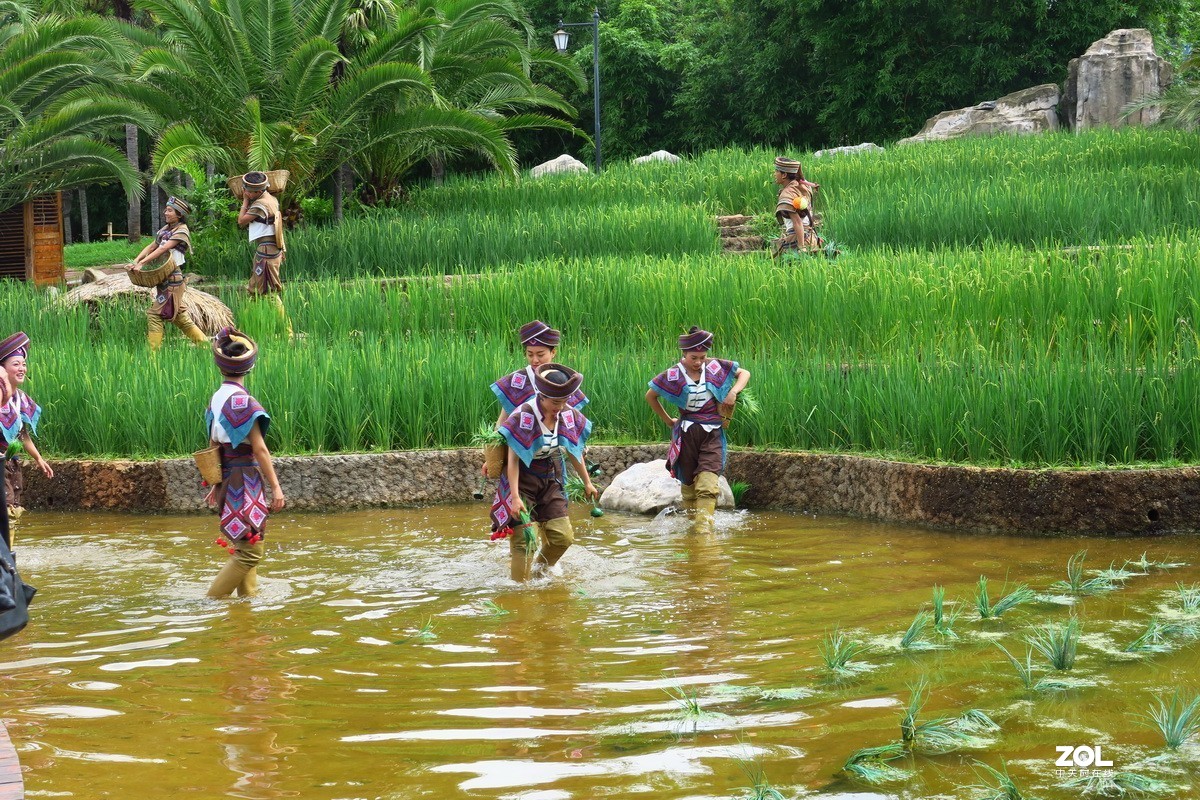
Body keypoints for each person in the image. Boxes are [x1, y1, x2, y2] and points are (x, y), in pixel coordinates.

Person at [489, 364, 597, 582]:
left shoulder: (567, 414)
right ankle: (519, 592)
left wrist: (587, 482)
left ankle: (539, 572)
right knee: (523, 542)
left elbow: (574, 451)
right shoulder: (524, 415)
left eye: (564, 401)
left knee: (562, 538)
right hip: (522, 478)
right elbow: (513, 460)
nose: (560, 406)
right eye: (555, 402)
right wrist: (516, 498)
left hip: (550, 475)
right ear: (542, 395)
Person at [204, 327, 285, 598]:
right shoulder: (245, 402)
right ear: (249, 366)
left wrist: (215, 483)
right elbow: (260, 450)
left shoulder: (216, 399)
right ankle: (211, 602)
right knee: (251, 553)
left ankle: (246, 610)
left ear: (220, 366)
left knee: (245, 543)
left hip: (227, 477)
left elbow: (214, 444)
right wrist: (276, 487)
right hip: (245, 479)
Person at [646, 327, 750, 531]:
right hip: (686, 433)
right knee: (688, 482)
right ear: (684, 354)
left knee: (708, 483)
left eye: (702, 357)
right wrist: (668, 421)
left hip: (712, 432)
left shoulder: (714, 366)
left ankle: (704, 531)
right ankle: (691, 526)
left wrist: (733, 393)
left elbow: (744, 373)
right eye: (694, 357)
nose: (698, 362)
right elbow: (651, 395)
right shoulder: (673, 374)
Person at [128, 196, 208, 349]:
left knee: (154, 314)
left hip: (173, 279)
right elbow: (152, 246)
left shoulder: (182, 231)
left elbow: (163, 249)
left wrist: (143, 263)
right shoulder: (166, 230)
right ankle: (205, 346)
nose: (165, 212)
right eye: (166, 209)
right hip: (164, 279)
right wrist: (136, 261)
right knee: (180, 317)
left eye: (170, 210)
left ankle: (153, 355)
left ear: (179, 215)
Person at [491, 320, 588, 426]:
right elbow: (503, 419)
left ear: (553, 353)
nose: (535, 360)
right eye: (530, 354)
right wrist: (497, 438)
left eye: (540, 354)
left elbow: (572, 420)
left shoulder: (565, 378)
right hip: (525, 440)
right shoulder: (517, 380)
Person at [0, 333, 51, 526]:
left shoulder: (18, 398)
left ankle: (8, 555)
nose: (22, 369)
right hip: (0, 463)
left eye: (23, 364)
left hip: (11, 462)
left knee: (12, 510)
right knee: (5, 512)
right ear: (2, 369)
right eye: (15, 364)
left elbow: (22, 434)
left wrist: (39, 459)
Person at [236, 172, 292, 336]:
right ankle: (242, 331)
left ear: (257, 191)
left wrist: (245, 201)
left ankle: (288, 333)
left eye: (248, 191)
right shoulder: (272, 199)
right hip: (270, 250)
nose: (246, 192)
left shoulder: (260, 205)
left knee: (270, 294)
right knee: (254, 292)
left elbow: (241, 221)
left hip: (266, 253)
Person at [772, 156, 822, 257]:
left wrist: (801, 246)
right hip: (811, 238)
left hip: (798, 240)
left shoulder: (787, 194)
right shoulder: (803, 187)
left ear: (784, 175)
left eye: (776, 171)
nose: (774, 174)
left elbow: (797, 222)